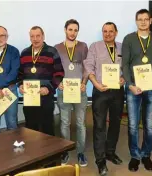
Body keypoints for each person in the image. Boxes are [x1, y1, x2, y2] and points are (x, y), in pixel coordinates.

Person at [121, 9, 152, 172]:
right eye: (140, 19)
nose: (143, 22)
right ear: (136, 21)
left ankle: (146, 155)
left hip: (151, 87)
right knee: (132, 124)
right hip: (133, 88)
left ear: (151, 21)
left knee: (149, 125)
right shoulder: (129, 39)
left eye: (146, 19)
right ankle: (134, 156)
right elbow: (125, 64)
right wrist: (130, 84)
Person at [84, 22, 124, 176]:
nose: (107, 34)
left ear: (116, 32)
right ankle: (100, 161)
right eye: (104, 31)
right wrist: (96, 84)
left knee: (115, 123)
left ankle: (110, 152)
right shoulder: (94, 46)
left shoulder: (122, 47)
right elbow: (89, 67)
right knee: (99, 126)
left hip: (117, 92)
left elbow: (126, 67)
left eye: (110, 31)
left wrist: (123, 79)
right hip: (100, 91)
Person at [17, 26, 64, 136]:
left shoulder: (52, 51)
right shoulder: (25, 53)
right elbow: (20, 74)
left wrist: (49, 88)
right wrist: (20, 85)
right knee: (30, 128)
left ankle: (50, 153)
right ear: (30, 38)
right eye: (32, 36)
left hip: (46, 98)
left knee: (47, 128)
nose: (35, 39)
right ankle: (33, 152)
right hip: (29, 97)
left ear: (43, 36)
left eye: (38, 36)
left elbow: (59, 73)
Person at [54, 19, 89, 166]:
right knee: (64, 123)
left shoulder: (83, 46)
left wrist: (84, 83)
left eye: (75, 30)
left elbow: (87, 67)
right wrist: (58, 83)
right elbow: (54, 69)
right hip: (64, 91)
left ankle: (81, 152)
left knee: (81, 124)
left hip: (79, 91)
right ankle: (65, 152)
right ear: (65, 30)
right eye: (70, 29)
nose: (73, 32)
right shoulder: (57, 48)